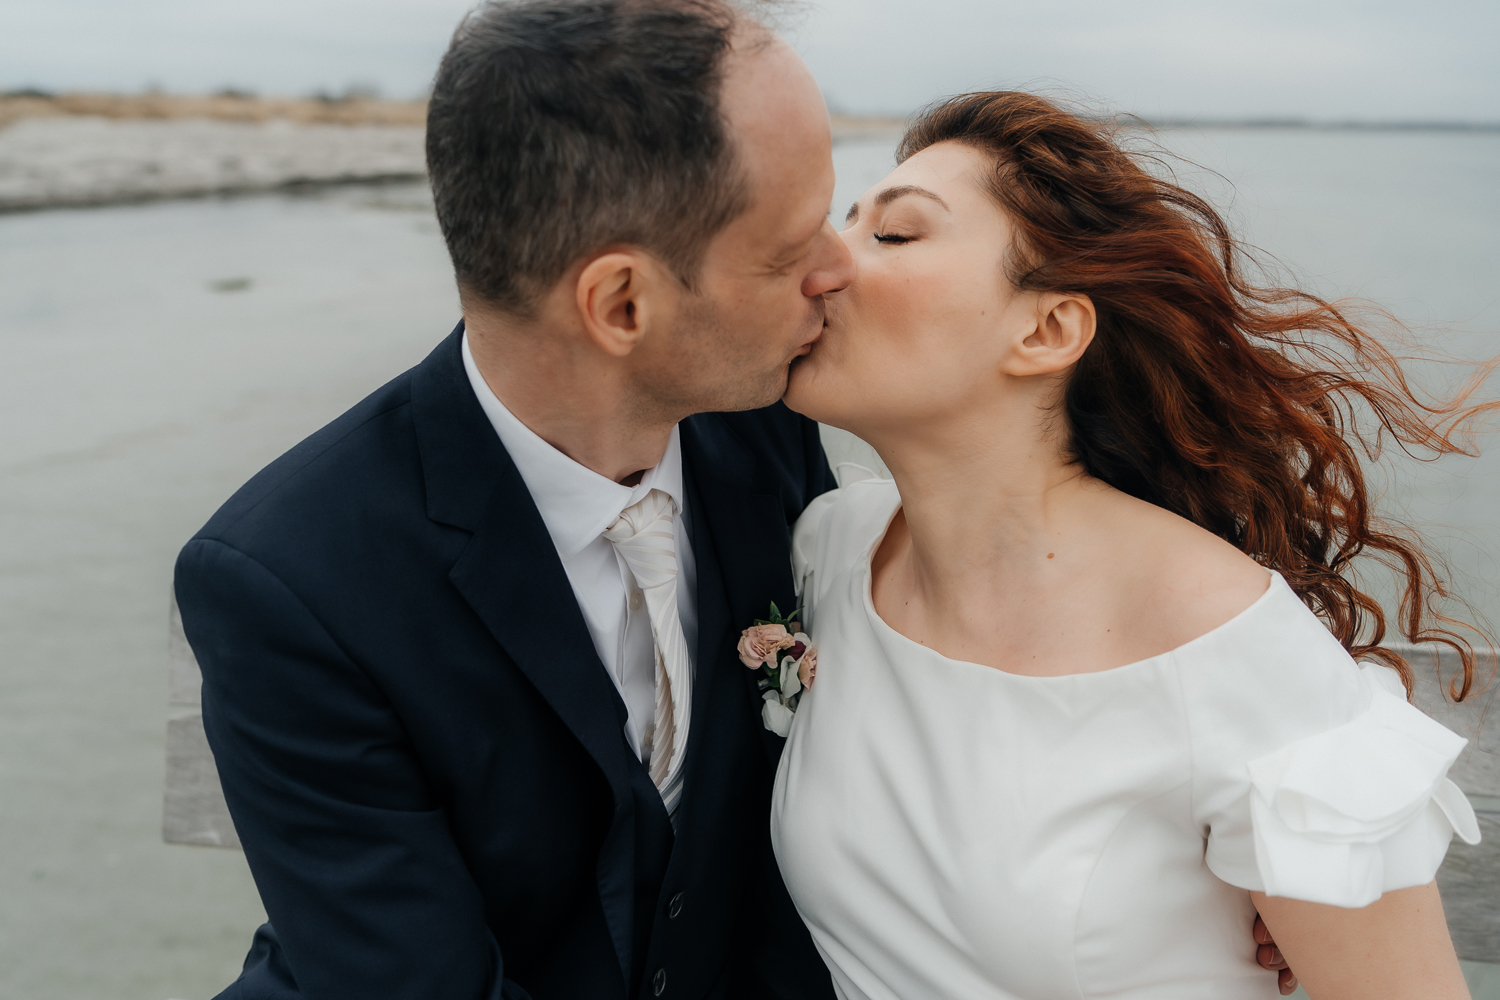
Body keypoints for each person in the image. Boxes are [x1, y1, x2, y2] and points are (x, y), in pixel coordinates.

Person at [176, 2, 1293, 997]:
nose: (837, 269)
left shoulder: (763, 427)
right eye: (790, 246)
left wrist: (1224, 842)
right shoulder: (288, 580)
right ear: (622, 305)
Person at [772, 90, 1490, 1000]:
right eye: (846, 222)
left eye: (895, 233)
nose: (828, 260)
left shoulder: (1225, 642)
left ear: (1047, 330)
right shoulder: (834, 551)